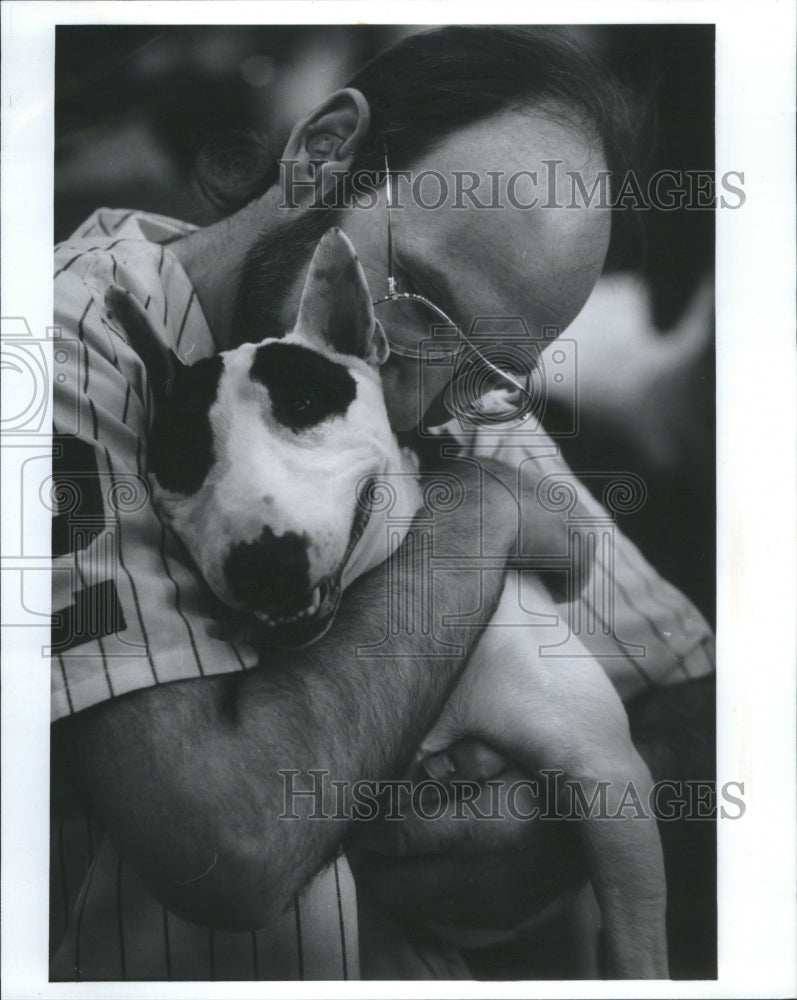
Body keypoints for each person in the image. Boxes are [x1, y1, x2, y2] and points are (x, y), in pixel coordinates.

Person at [50, 26, 715, 980]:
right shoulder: (54, 357)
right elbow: (230, 849)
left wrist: (545, 824)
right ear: (324, 155)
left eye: (492, 370)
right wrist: (471, 522)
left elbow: (702, 695)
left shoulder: (448, 386)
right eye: (415, 294)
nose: (414, 403)